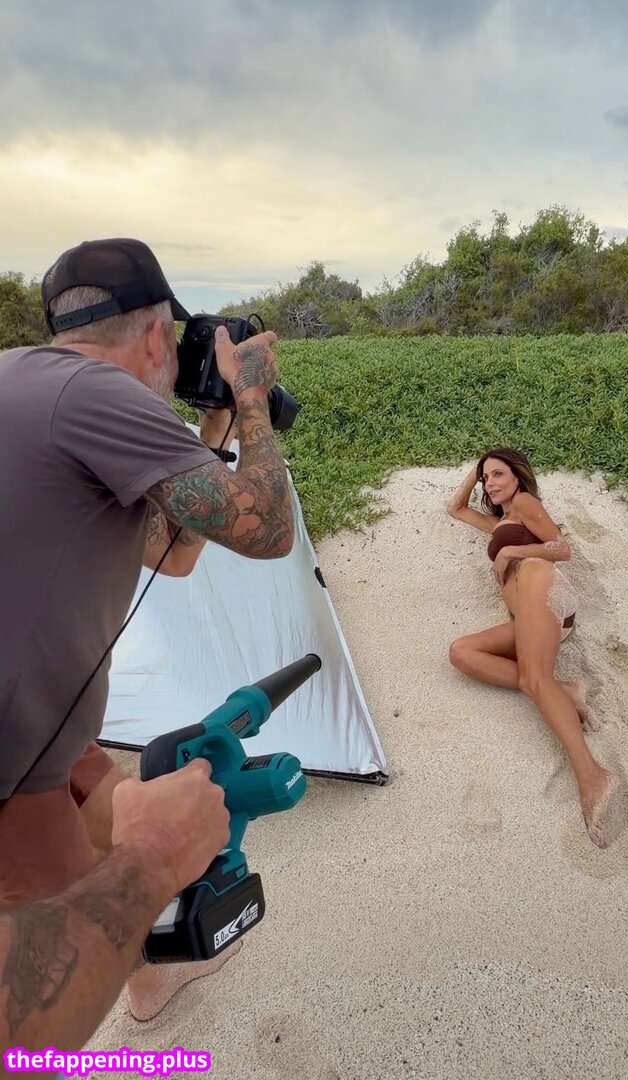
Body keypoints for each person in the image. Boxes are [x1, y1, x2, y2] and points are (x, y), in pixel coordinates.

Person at [0, 238, 294, 1018]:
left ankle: (149, 976)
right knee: (54, 964)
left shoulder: (25, 380)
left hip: (44, 719)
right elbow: (267, 530)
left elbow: (173, 553)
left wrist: (213, 426)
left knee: (110, 799)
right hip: (11, 753)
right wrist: (252, 397)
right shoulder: (101, 391)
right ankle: (125, 992)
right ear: (160, 336)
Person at [0, 759, 230, 1061]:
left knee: (110, 800)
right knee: (50, 869)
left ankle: (151, 975)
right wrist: (154, 856)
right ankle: (150, 975)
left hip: (36, 738)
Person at [447, 448, 619, 848]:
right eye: (486, 478)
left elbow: (562, 548)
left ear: (518, 477)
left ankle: (593, 775)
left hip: (543, 587)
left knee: (533, 679)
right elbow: (456, 509)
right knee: (462, 653)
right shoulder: (500, 522)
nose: (490, 483)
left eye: (498, 474)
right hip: (529, 616)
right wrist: (475, 472)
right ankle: (568, 690)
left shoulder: (524, 503)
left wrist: (513, 551)